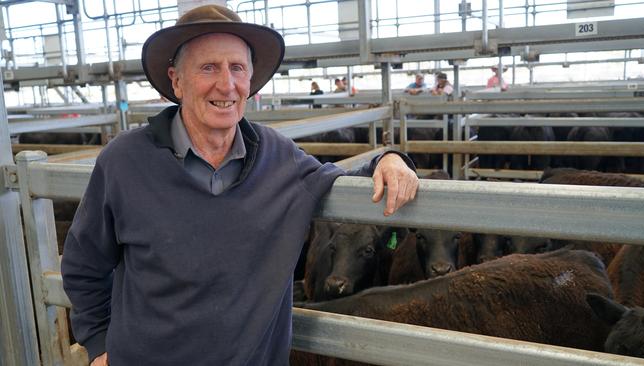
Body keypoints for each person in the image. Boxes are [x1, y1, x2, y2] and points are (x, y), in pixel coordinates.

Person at [61, 5, 419, 366]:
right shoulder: (124, 161)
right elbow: (83, 263)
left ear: (250, 79)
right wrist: (100, 345)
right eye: (208, 68)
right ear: (176, 80)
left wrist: (389, 158)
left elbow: (343, 179)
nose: (226, 84)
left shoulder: (280, 159)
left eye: (237, 68)